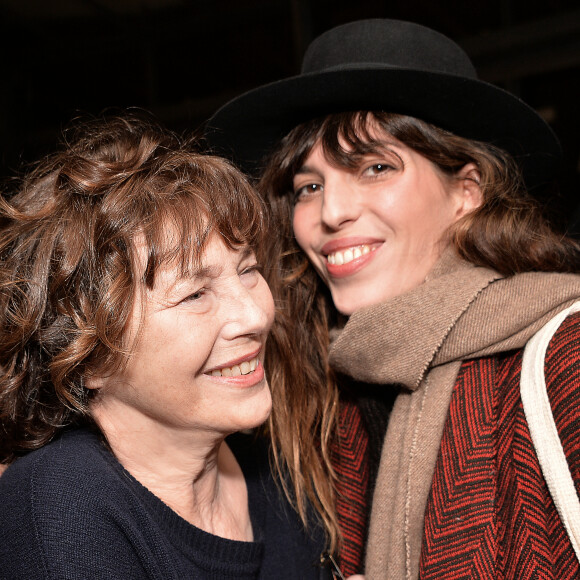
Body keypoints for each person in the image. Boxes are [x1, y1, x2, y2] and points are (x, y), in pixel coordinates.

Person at [204, 18, 580, 580]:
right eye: (309, 186)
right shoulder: (329, 388)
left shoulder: (565, 356)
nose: (330, 213)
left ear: (466, 192)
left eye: (375, 168)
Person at [0, 112, 329, 579]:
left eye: (248, 270)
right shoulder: (59, 506)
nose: (256, 317)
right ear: (87, 355)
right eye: (195, 294)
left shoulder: (274, 467)